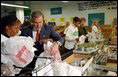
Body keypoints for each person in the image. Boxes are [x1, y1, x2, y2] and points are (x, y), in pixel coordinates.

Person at [19, 10, 64, 75]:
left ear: (43, 20)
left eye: (40, 22)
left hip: (44, 61)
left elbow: (60, 38)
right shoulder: (24, 30)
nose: (38, 25)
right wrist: (40, 42)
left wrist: (56, 44)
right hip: (29, 61)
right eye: (35, 22)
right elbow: (22, 47)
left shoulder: (49, 28)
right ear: (32, 21)